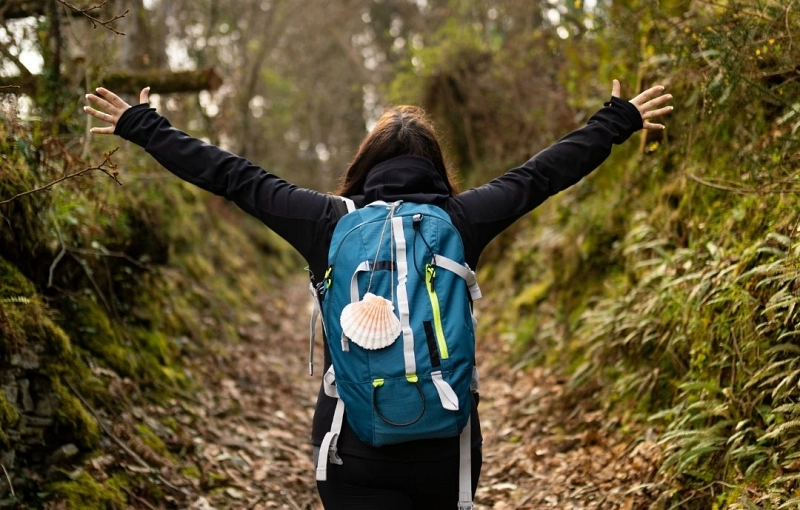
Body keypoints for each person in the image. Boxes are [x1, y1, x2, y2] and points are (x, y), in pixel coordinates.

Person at [84, 80, 672, 509]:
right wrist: (615, 120)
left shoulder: (326, 221)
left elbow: (234, 176)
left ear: (363, 168)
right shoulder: (464, 219)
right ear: (436, 168)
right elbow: (542, 175)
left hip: (351, 447)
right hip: (446, 447)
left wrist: (144, 126)